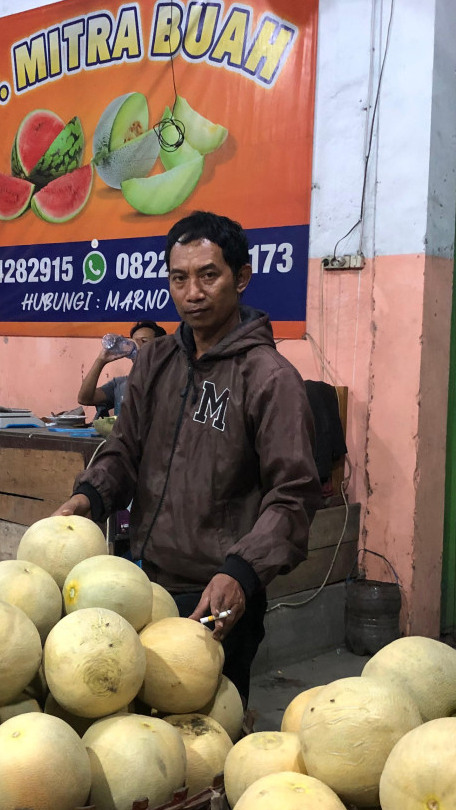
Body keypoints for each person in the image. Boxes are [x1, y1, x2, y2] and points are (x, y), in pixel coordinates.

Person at [53, 212, 321, 704]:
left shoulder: (269, 379)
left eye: (208, 275)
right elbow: (124, 450)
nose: (192, 293)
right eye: (179, 279)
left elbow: (293, 496)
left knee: (208, 730)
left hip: (219, 591)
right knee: (138, 725)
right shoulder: (155, 362)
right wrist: (89, 496)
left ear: (240, 277)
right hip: (145, 582)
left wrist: (241, 574)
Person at [77, 321, 167, 416]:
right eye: (135, 341)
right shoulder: (120, 385)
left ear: (160, 348)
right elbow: (84, 399)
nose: (138, 346)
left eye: (144, 341)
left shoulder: (169, 383)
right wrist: (100, 361)